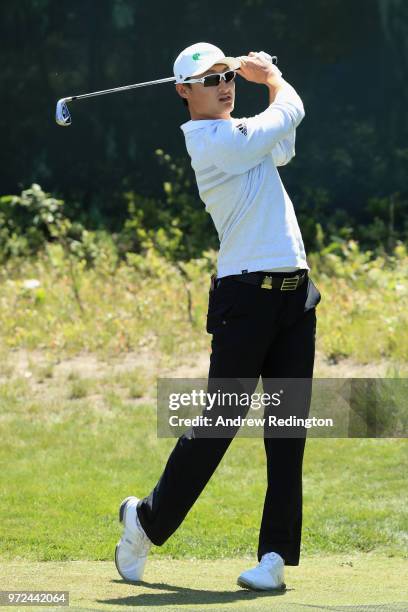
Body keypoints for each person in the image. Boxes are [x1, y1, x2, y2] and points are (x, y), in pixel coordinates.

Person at [115, 41, 322, 592]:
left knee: (288, 430)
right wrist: (271, 76)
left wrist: (267, 96)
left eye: (229, 75)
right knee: (219, 423)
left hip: (294, 296)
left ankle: (274, 557)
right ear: (183, 92)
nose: (225, 85)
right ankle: (146, 520)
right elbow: (290, 112)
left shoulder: (241, 136)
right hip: (244, 299)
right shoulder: (209, 141)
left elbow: (283, 146)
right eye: (211, 80)